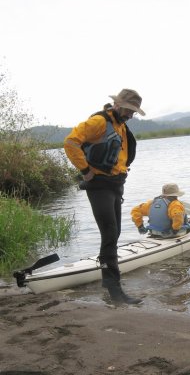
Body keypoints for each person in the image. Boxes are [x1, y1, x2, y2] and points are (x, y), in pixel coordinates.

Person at [64, 89, 145, 305]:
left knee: (115, 233)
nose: (131, 115)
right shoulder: (99, 122)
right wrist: (85, 170)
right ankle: (114, 291)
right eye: (129, 111)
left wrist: (122, 170)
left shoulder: (119, 124)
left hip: (115, 185)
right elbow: (71, 142)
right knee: (109, 234)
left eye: (133, 112)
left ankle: (109, 282)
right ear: (117, 106)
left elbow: (120, 154)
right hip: (99, 186)